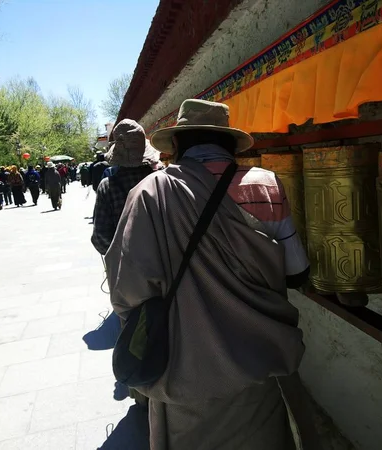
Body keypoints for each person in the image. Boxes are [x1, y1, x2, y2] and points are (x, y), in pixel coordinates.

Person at [105, 99, 314, 450]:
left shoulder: (149, 194)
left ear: (177, 145)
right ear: (229, 143)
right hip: (260, 369)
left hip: (184, 381)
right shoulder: (267, 186)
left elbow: (128, 293)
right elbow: (296, 272)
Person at [91, 119, 160, 256]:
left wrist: (123, 255)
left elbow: (100, 238)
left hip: (126, 270)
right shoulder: (161, 180)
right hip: (166, 266)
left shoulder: (107, 187)